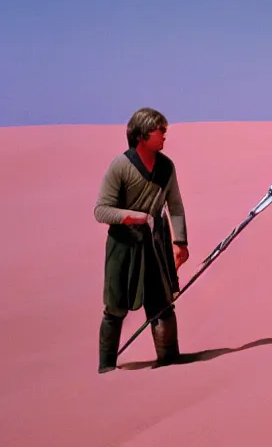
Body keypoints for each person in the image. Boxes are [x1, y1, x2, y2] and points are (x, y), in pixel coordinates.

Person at [93, 107, 190, 373]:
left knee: (162, 305)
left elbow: (176, 207)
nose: (164, 136)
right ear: (143, 135)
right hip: (123, 247)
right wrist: (135, 217)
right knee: (114, 307)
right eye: (160, 131)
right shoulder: (120, 166)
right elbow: (101, 210)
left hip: (155, 245)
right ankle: (106, 369)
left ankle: (170, 363)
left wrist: (180, 242)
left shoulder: (166, 166)